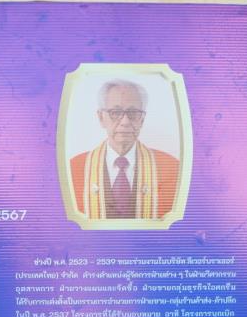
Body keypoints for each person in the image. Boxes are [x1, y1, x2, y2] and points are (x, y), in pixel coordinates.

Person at [67, 77, 182, 220]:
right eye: (115, 112)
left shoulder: (172, 168)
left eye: (133, 113)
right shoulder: (74, 169)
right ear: (101, 118)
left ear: (142, 119)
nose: (125, 122)